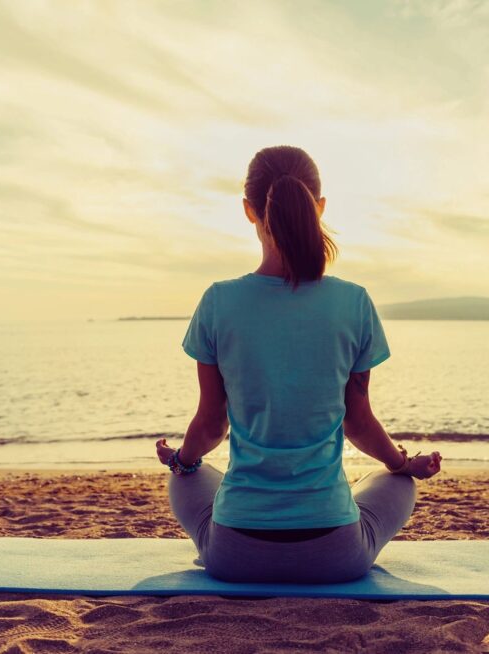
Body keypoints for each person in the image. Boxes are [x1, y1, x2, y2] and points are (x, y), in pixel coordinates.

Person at [156, 145, 442, 584]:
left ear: (249, 210)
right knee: (397, 483)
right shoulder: (354, 302)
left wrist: (180, 459)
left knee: (185, 477)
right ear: (320, 207)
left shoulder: (219, 301)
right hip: (336, 556)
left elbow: (211, 426)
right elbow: (358, 423)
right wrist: (402, 463)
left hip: (235, 556)